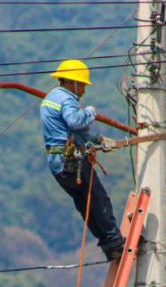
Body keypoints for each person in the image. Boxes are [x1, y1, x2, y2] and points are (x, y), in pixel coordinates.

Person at [40, 59, 126, 261]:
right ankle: (115, 243)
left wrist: (97, 140)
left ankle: (109, 246)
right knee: (98, 199)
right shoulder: (67, 99)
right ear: (73, 83)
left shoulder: (51, 97)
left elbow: (70, 131)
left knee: (85, 203)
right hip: (72, 159)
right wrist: (90, 111)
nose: (84, 91)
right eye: (83, 86)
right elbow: (74, 121)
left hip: (57, 162)